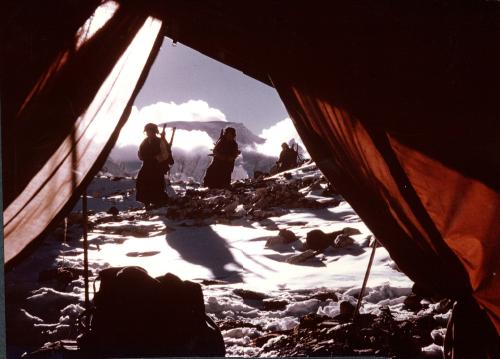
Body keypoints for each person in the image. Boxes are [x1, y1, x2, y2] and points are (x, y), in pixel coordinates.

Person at [136, 123, 169, 209]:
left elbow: (165, 154)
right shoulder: (144, 142)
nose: (148, 133)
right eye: (147, 131)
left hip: (156, 167)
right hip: (146, 165)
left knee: (156, 184)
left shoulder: (160, 141)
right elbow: (139, 153)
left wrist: (157, 158)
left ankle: (157, 203)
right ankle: (146, 203)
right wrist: (142, 157)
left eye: (150, 131)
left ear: (154, 132)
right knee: (142, 182)